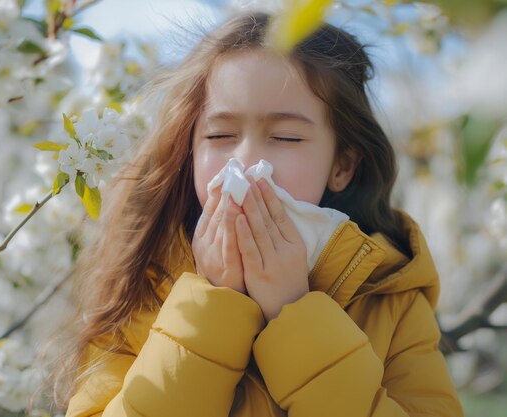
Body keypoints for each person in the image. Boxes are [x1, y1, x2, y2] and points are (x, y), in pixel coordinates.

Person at [53, 11, 465, 417]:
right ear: (189, 150)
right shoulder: (144, 282)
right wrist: (211, 308)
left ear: (342, 165)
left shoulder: (391, 299)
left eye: (286, 137)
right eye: (220, 135)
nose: (247, 163)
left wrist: (294, 311)